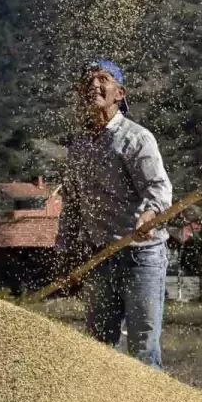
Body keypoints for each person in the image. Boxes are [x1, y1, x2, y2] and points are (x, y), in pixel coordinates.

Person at [57, 60, 173, 368]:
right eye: (88, 81)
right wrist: (66, 250)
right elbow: (73, 203)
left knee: (143, 348)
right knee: (98, 348)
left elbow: (158, 189)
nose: (94, 85)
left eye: (103, 79)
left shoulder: (136, 139)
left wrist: (150, 214)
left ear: (119, 93)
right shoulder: (79, 145)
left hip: (141, 256)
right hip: (100, 257)